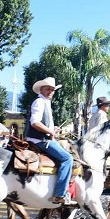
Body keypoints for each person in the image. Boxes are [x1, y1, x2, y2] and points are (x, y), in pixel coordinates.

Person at [25, 77, 74, 205]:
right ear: (41, 90)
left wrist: (53, 128)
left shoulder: (45, 102)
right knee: (67, 158)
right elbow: (34, 122)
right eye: (48, 89)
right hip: (39, 140)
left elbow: (42, 123)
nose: (51, 92)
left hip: (41, 138)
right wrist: (51, 132)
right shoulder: (39, 102)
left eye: (53, 90)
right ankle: (59, 194)